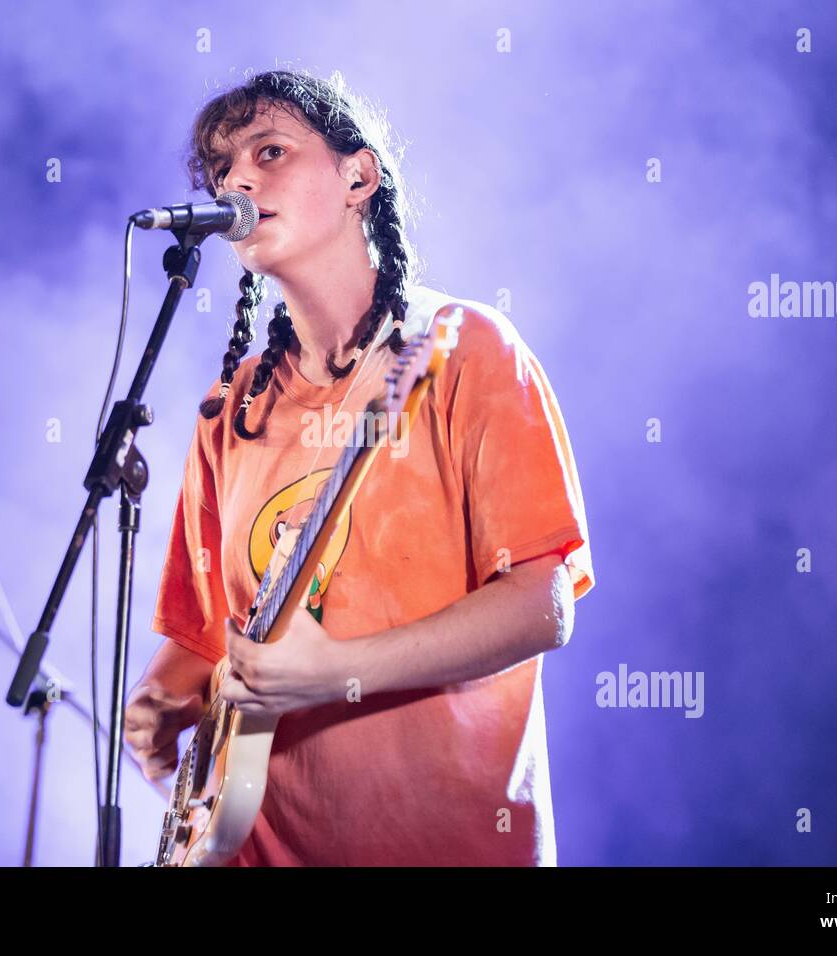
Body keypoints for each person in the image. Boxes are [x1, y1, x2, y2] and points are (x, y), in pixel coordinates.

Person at [123, 69, 595, 866]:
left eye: (269, 152)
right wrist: (165, 698)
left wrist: (337, 673)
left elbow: (540, 606)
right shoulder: (233, 409)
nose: (237, 179)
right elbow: (209, 634)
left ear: (358, 177)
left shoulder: (461, 348)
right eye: (220, 171)